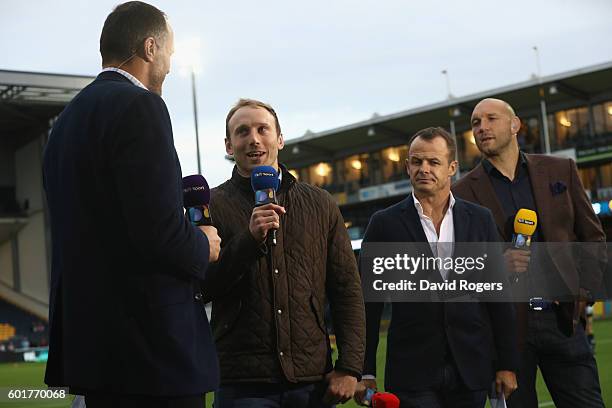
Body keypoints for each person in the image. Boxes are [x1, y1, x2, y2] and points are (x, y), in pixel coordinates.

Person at [43, 2, 221, 407]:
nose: (171, 66)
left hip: (94, 351)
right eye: (170, 54)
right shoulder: (140, 106)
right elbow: (158, 231)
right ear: (150, 47)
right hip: (151, 353)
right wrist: (204, 244)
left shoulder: (65, 123)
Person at [203, 98, 365, 408]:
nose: (254, 138)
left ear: (279, 139)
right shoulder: (211, 206)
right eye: (242, 131)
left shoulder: (321, 204)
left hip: (311, 381)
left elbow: (346, 289)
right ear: (228, 145)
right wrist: (249, 240)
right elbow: (203, 287)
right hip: (242, 382)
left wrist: (350, 366)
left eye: (263, 129)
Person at [453, 98, 606, 408]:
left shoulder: (560, 169)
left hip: (562, 320)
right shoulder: (461, 193)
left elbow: (592, 237)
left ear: (514, 125)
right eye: (475, 123)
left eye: (490, 119)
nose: (482, 127)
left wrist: (583, 295)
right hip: (503, 334)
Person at [355, 127, 519, 408]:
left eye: (433, 162)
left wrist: (507, 363)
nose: (423, 169)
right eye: (416, 162)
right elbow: (368, 304)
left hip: (471, 369)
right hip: (411, 370)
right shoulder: (384, 224)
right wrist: (364, 369)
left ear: (452, 167)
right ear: (407, 166)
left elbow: (498, 297)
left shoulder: (480, 219)